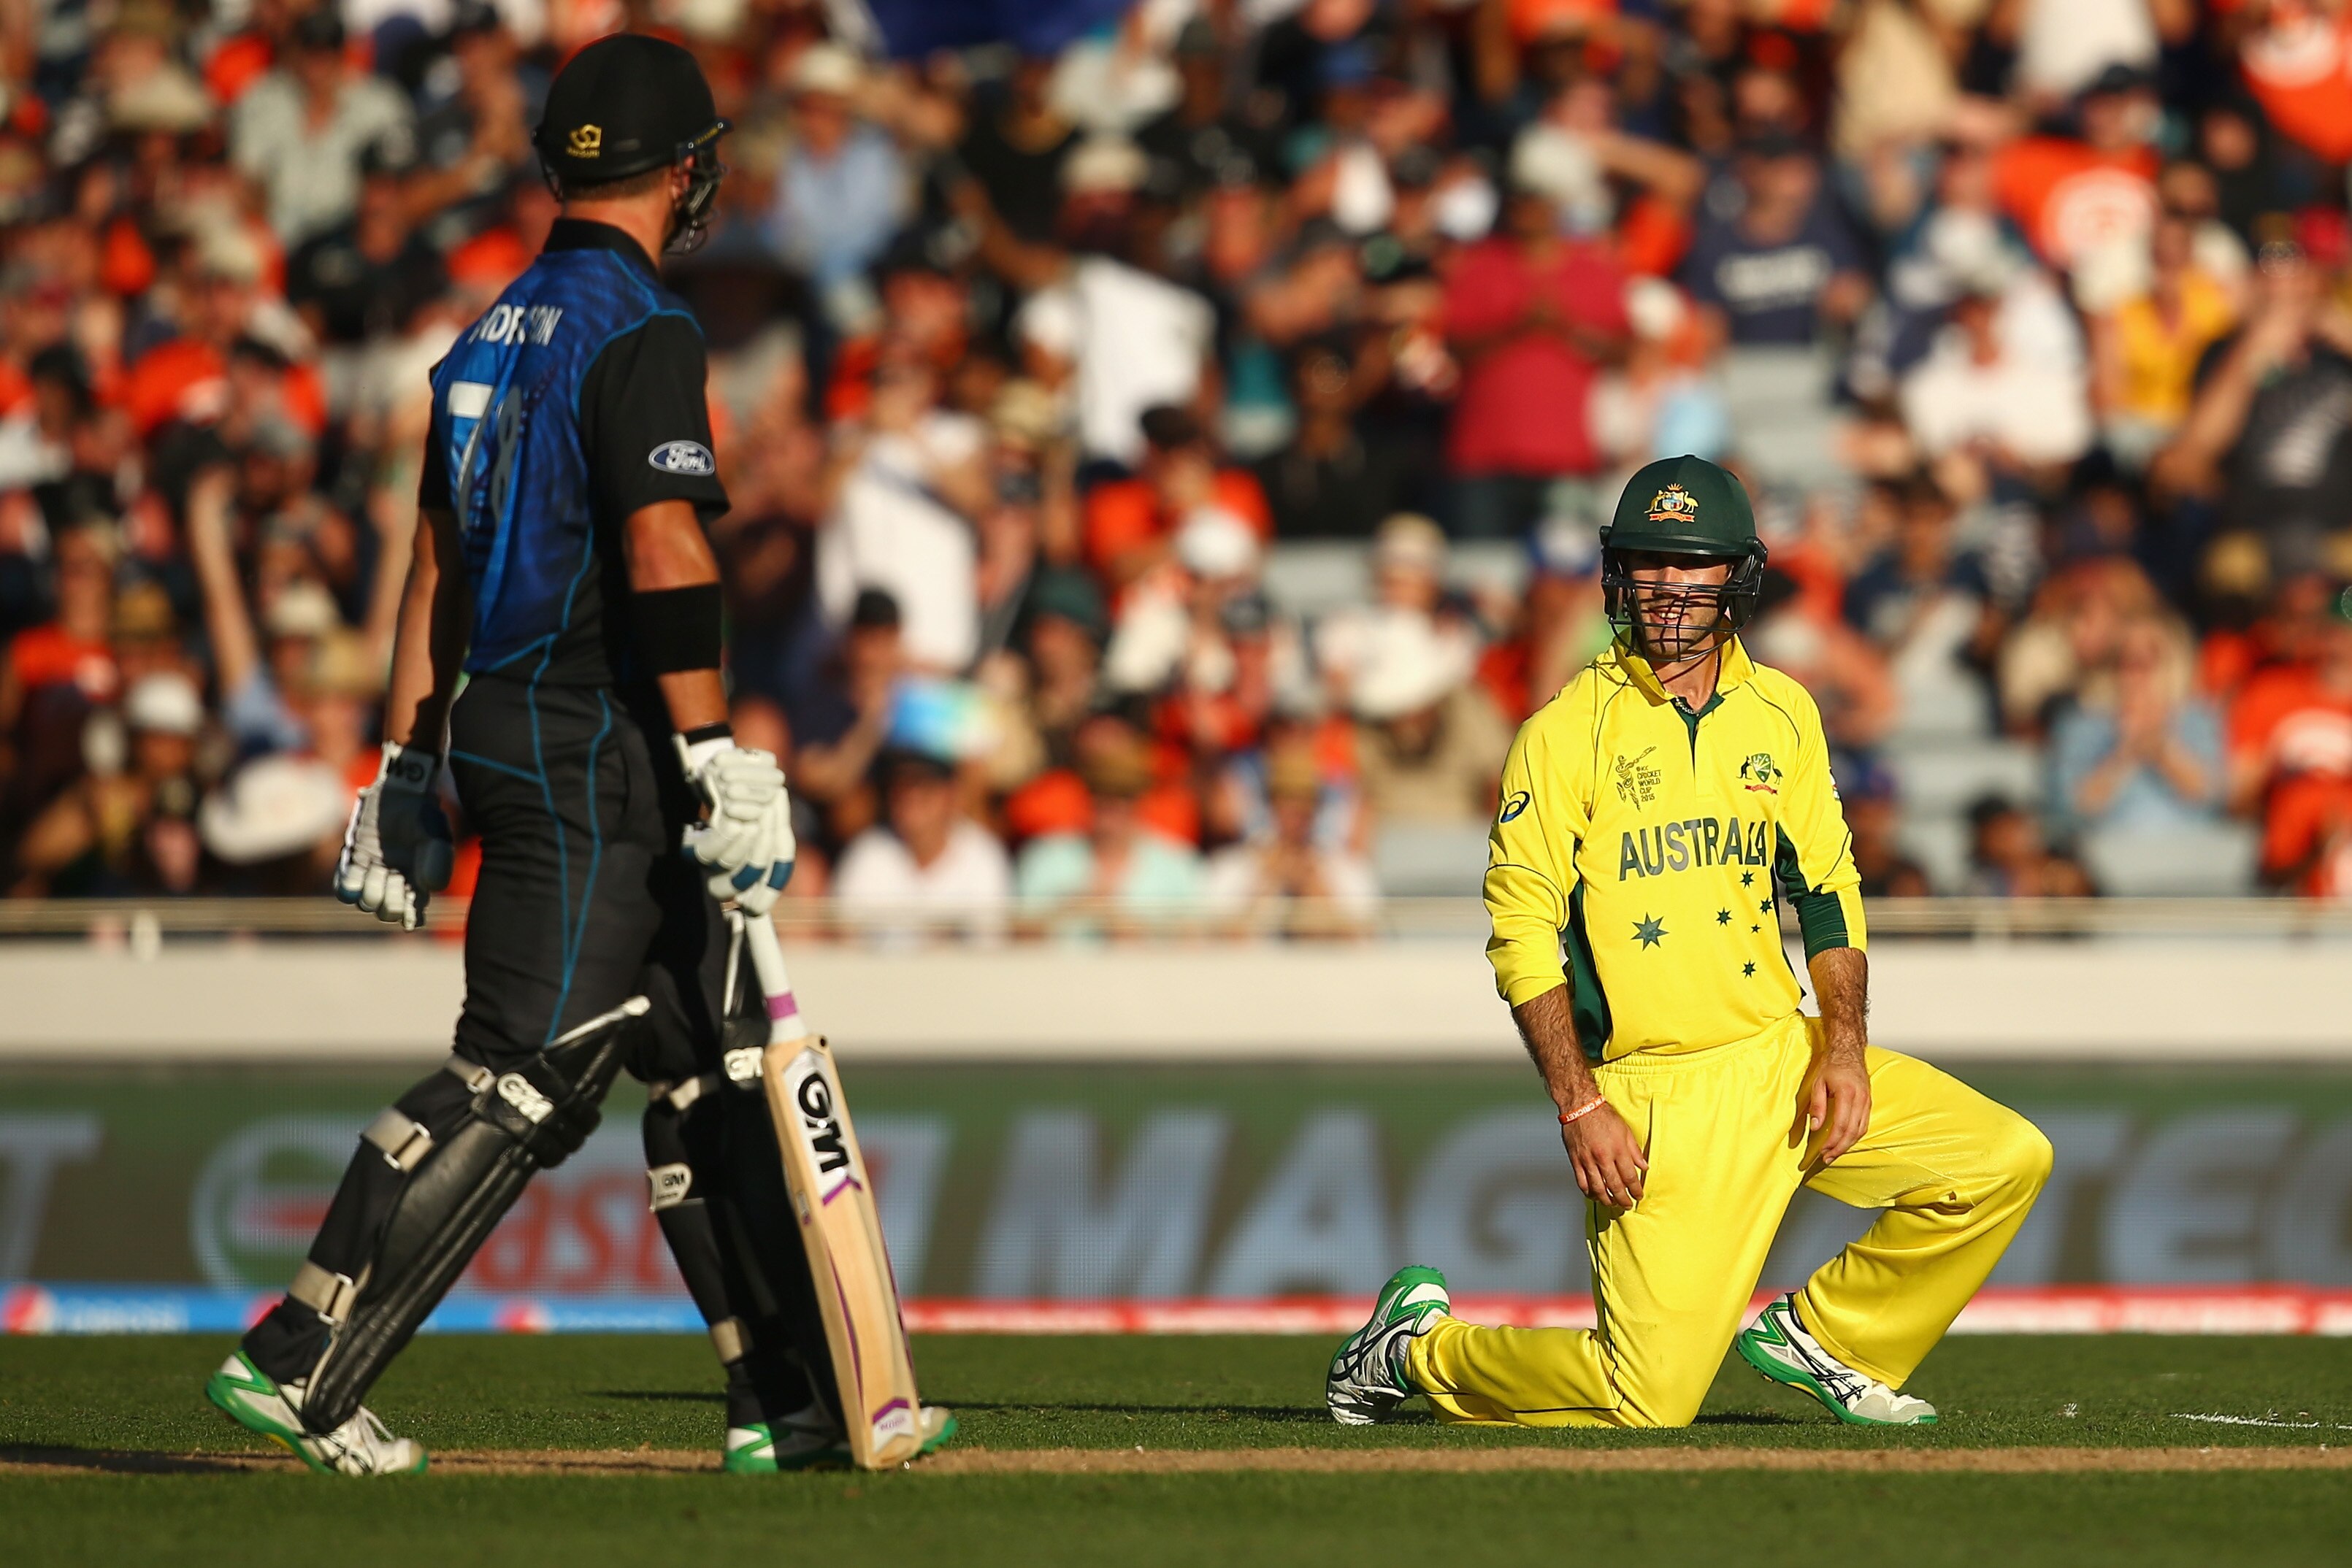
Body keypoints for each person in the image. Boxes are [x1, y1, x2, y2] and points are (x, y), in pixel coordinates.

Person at [200, 35, 949, 1478]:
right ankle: (303, 1358)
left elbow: (431, 570)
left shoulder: (485, 337)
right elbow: (666, 548)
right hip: (593, 733)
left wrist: (408, 767)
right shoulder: (641, 328)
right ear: (683, 169)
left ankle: (788, 1405)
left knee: (710, 1060)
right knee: (526, 1071)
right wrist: (716, 745)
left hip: (522, 721)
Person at [1325, 456, 2051, 1430]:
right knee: (1647, 1401)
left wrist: (1840, 1051)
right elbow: (1520, 934)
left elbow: (1827, 894)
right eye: (1647, 563)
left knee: (2002, 1158)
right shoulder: (1562, 731)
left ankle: (1833, 1338)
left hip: (1778, 1059)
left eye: (1692, 565)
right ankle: (1415, 1351)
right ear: (1615, 573)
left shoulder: (1783, 712)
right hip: (1655, 1093)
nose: (1667, 587)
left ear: (1735, 579)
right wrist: (1579, 1104)